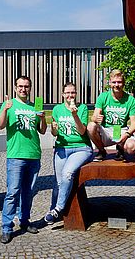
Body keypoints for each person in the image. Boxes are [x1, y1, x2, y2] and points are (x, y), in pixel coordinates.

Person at [0, 76, 47, 244]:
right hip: (16, 155)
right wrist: (5, 110)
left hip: (33, 154)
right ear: (15, 87)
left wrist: (43, 118)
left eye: (26, 86)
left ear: (30, 88)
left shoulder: (36, 105)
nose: (23, 89)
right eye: (20, 86)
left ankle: (24, 221)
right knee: (12, 192)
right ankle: (7, 227)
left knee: (28, 193)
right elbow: (0, 125)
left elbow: (42, 130)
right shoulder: (9, 104)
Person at [43, 83, 93, 224]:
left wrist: (75, 114)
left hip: (81, 148)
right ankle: (59, 212)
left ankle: (57, 209)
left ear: (76, 94)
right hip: (62, 148)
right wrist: (53, 129)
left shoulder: (82, 108)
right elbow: (55, 133)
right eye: (67, 93)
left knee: (67, 174)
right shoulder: (57, 109)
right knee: (60, 182)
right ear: (63, 94)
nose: (70, 96)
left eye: (73, 93)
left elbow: (82, 131)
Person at [87, 69, 135, 161]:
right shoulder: (103, 97)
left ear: (123, 83)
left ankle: (121, 148)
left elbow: (134, 124)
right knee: (91, 126)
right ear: (110, 83)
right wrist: (96, 118)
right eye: (114, 82)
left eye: (119, 82)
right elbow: (94, 117)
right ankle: (102, 151)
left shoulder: (130, 100)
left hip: (121, 129)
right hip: (106, 130)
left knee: (132, 147)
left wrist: (126, 135)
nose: (116, 85)